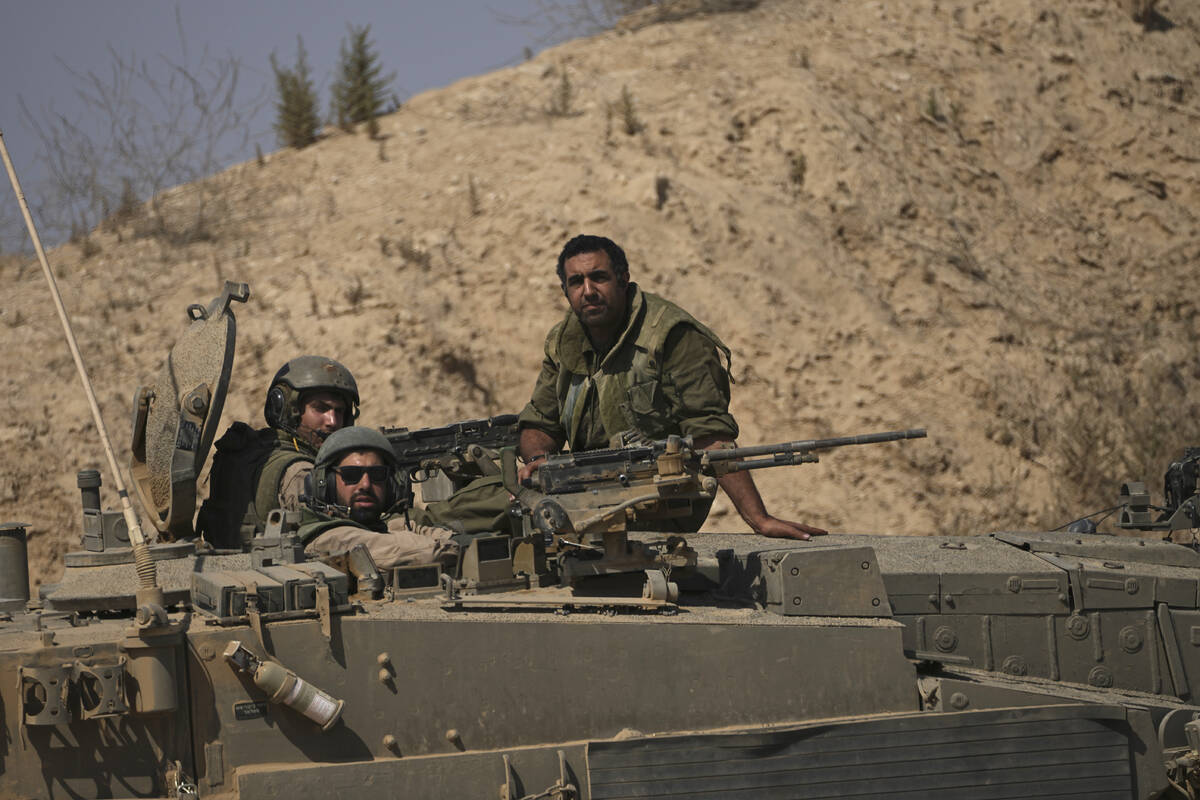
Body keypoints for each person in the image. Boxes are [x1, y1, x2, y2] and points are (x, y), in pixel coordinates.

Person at [515, 234, 825, 540]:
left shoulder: (672, 337)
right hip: (587, 491)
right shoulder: (563, 340)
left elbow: (710, 436)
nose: (588, 291)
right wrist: (539, 462)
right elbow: (539, 424)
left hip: (662, 500)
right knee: (484, 507)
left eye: (599, 278)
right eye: (576, 282)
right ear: (565, 290)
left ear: (623, 280)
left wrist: (758, 518)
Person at [196, 356, 359, 547]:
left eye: (339, 411)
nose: (332, 421)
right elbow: (334, 542)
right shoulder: (301, 473)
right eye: (320, 409)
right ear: (288, 409)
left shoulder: (250, 449)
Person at [299, 427, 457, 570]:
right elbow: (430, 553)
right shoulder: (327, 537)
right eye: (351, 474)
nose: (366, 485)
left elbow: (443, 536)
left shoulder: (383, 527)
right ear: (326, 484)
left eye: (377, 474)